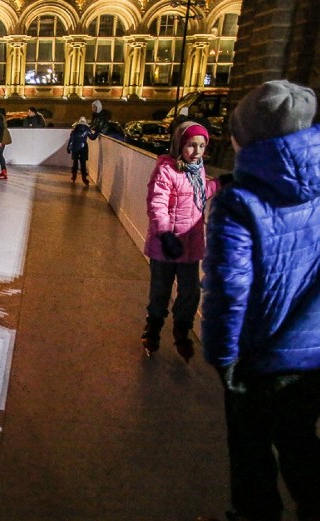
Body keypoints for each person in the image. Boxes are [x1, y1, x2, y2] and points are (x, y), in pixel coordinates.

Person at [200, 80, 320, 521]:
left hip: (257, 356)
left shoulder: (239, 201)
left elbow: (228, 291)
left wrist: (222, 358)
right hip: (313, 357)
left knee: (250, 452)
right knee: (301, 441)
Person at [140, 121, 219, 362]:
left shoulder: (198, 171)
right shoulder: (167, 170)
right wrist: (164, 234)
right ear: (179, 145)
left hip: (190, 246)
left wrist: (223, 183)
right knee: (160, 292)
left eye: (201, 146)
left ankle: (181, 330)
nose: (196, 151)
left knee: (190, 292)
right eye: (191, 145)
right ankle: (152, 330)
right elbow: (157, 204)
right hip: (166, 246)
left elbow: (200, 193)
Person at [66, 117, 98, 185]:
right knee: (83, 163)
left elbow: (71, 139)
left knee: (75, 162)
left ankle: (74, 176)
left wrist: (68, 148)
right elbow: (92, 137)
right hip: (83, 148)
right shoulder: (87, 129)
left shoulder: (75, 129)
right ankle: (84, 178)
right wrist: (97, 131)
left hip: (75, 147)